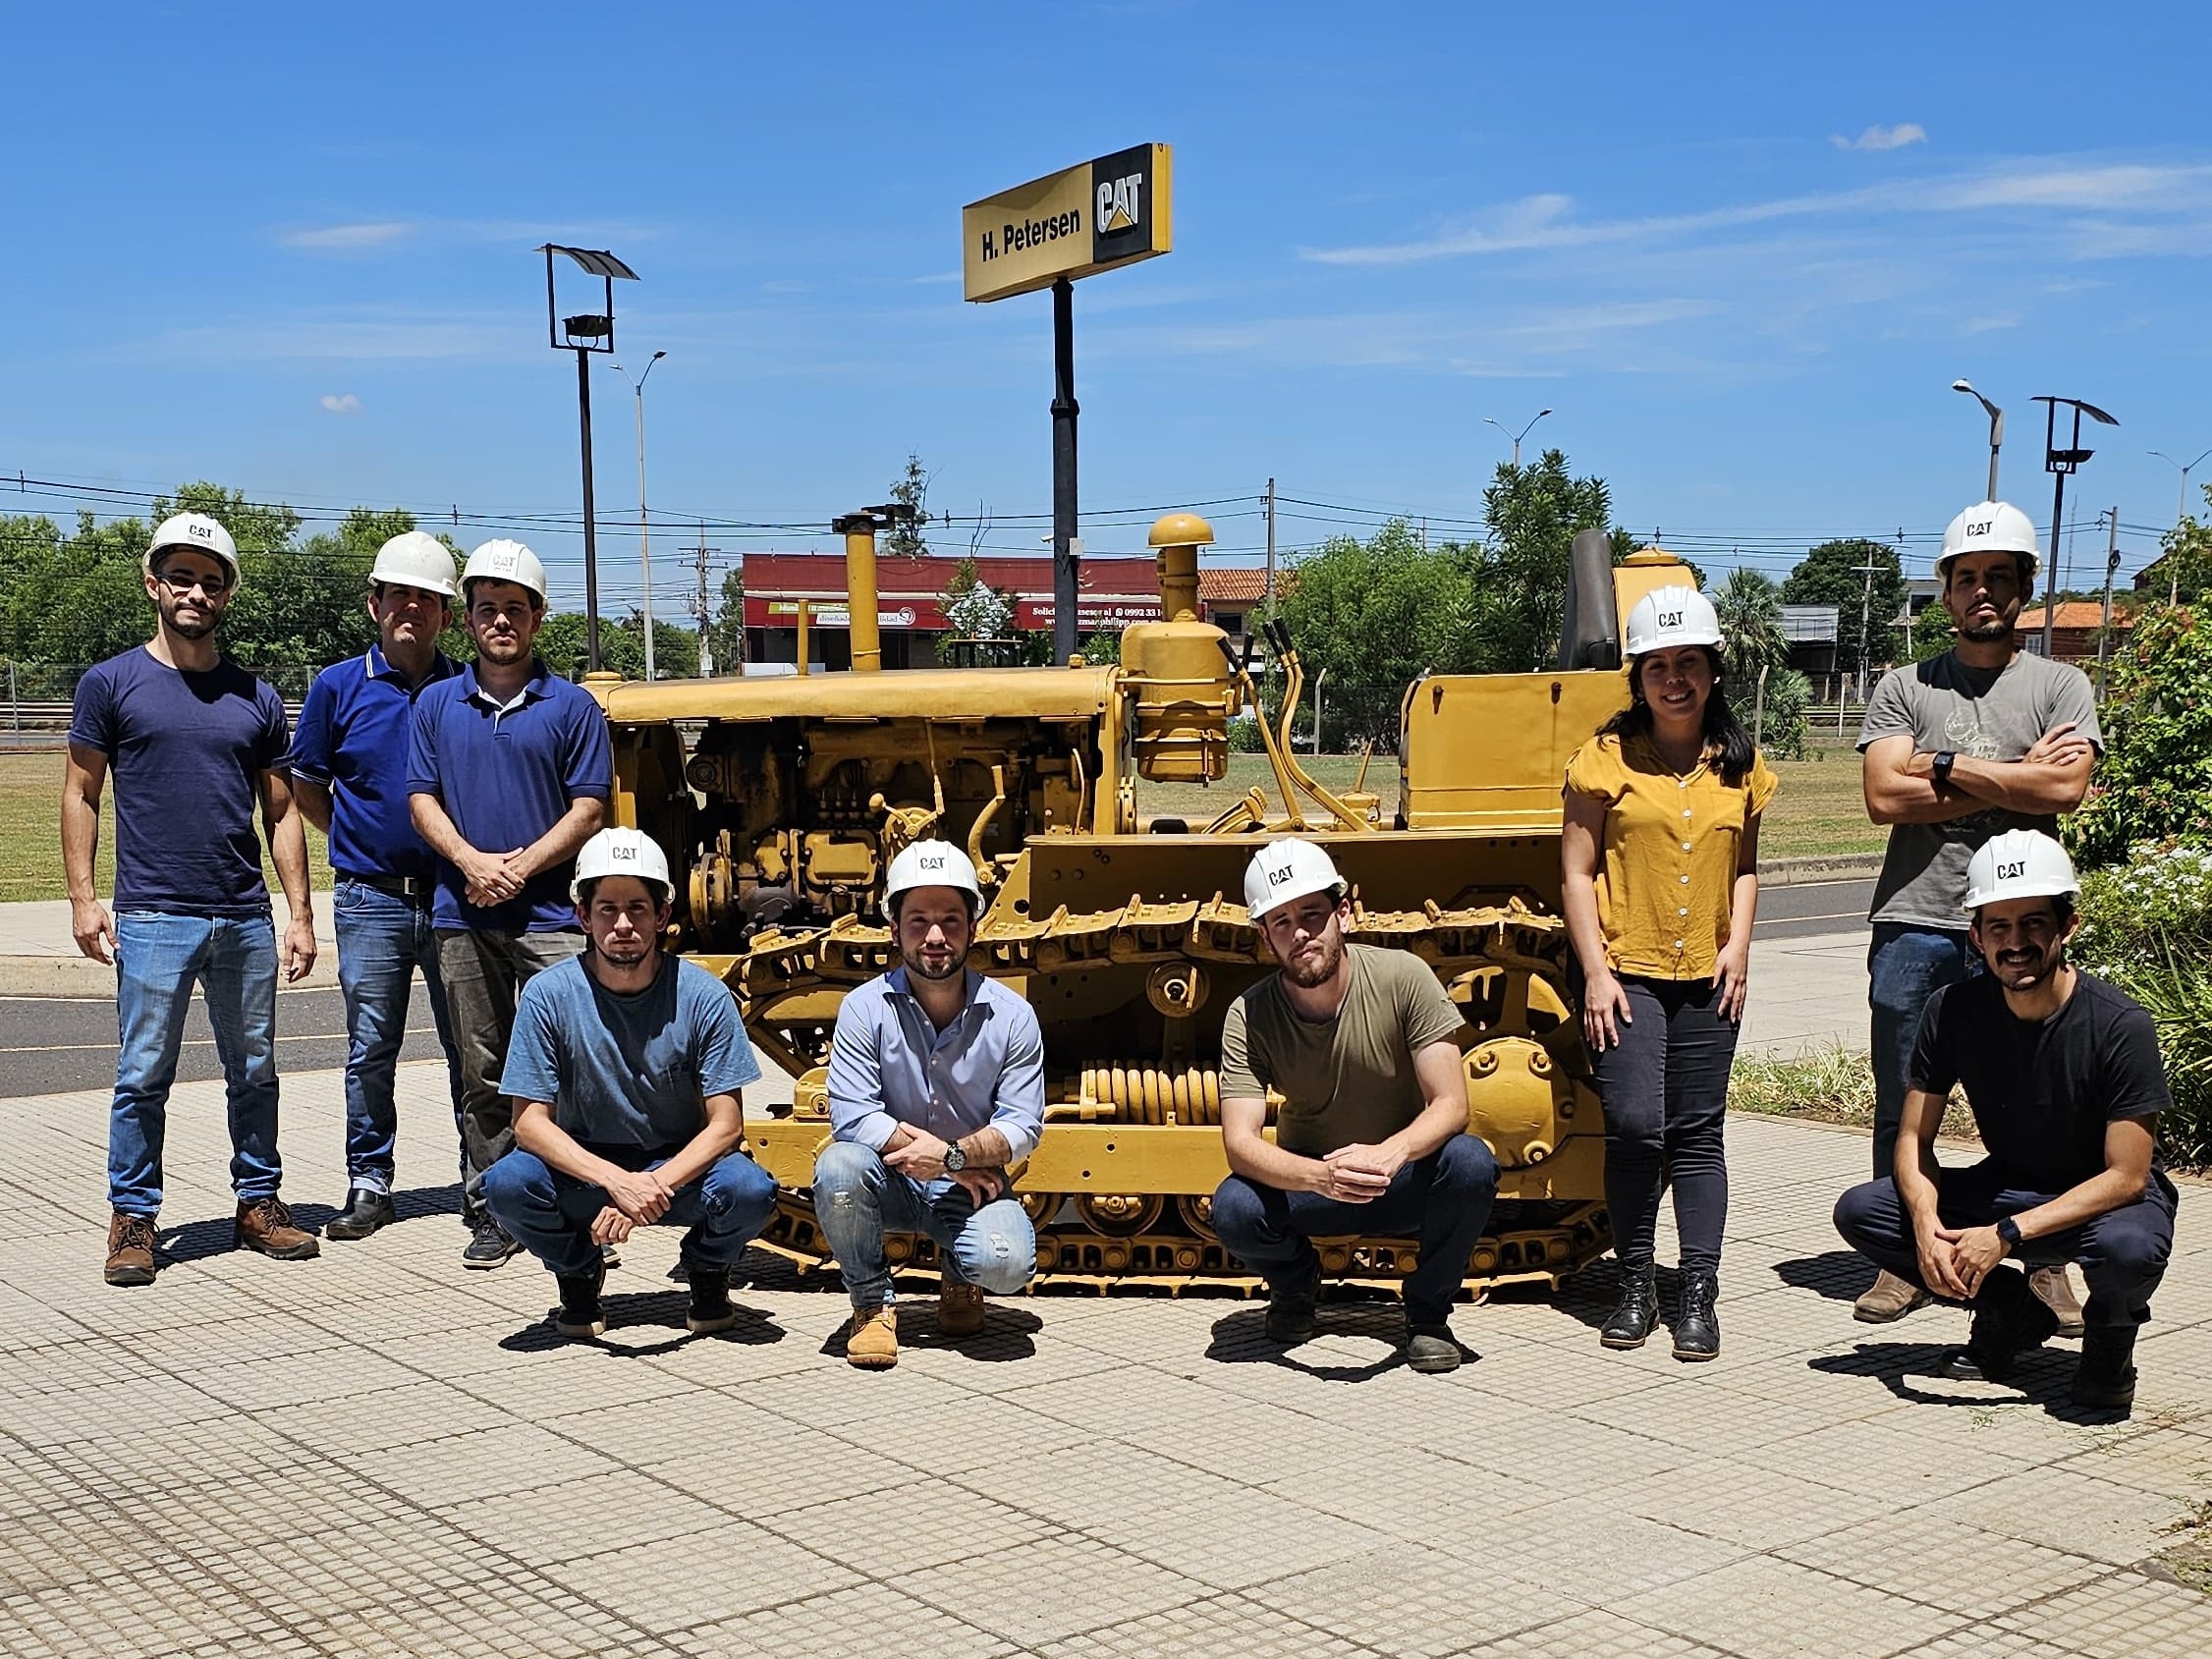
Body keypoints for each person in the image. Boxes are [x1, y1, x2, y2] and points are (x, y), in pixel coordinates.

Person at [1853, 501, 2100, 1329]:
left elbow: (2065, 788)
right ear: (1947, 594)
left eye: (2000, 575)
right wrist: (2010, 771)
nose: (1983, 590)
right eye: (1967, 578)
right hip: (1916, 922)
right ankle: (1901, 1255)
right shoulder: (1904, 685)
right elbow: (1885, 794)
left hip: (2025, 925)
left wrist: (1948, 764)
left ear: (2027, 586)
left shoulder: (2060, 684)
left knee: (2044, 1101)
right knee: (1903, 1098)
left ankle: (2047, 1260)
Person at [63, 511, 321, 1285]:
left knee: (256, 1069)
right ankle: (134, 1219)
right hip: (151, 912)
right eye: (181, 577)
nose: (195, 592)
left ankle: (259, 1201)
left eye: (211, 582)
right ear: (154, 583)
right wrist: (83, 898)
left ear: (226, 598)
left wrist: (300, 913)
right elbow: (81, 792)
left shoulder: (256, 697)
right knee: (143, 1072)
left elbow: (280, 812)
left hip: (242, 912)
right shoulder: (111, 683)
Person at [1834, 832, 2175, 1410]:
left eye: (2034, 924)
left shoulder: (2120, 1025)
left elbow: (2128, 1176)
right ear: (1976, 936)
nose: (2015, 943)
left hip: (2106, 1199)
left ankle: (2110, 1343)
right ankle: (2009, 1309)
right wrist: (1924, 1227)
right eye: (1999, 926)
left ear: (2067, 927)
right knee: (1867, 1211)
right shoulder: (1954, 1010)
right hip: (2012, 1184)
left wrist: (2005, 1235)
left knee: (2128, 1250)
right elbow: (1913, 1136)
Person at [1562, 584, 1777, 1362]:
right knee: (1632, 1128)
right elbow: (1577, 872)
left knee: (1697, 1134)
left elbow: (1746, 867)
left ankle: (1696, 1290)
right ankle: (1634, 1285)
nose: (1674, 678)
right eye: (1658, 664)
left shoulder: (1743, 767)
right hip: (1630, 970)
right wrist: (1594, 971)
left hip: (1710, 973)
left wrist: (1740, 945)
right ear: (1638, 674)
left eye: (1689, 662)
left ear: (1713, 671)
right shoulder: (1603, 761)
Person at [1210, 838, 1498, 1374]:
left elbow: (1452, 1103)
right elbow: (1241, 1144)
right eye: (1280, 922)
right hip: (1314, 1184)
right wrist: (1321, 1177)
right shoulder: (1248, 1015)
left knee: (1471, 1163)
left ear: (1344, 913)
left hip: (1405, 1176)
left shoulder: (1403, 977)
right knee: (1234, 1207)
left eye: (1312, 915)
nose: (1299, 933)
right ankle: (1296, 1288)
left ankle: (1428, 1315)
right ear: (1263, 935)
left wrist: (1391, 1154)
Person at [482, 830, 779, 1338]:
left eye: (638, 908)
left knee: (751, 1190)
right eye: (607, 909)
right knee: (505, 1186)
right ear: (583, 916)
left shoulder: (704, 995)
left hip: (678, 1164)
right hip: (585, 1165)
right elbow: (529, 1125)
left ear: (662, 915)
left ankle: (707, 1269)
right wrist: (615, 1184)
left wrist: (651, 1186)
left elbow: (726, 1126)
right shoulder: (547, 996)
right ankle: (578, 1269)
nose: (623, 924)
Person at [408, 539, 610, 1269]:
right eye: (487, 608)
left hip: (554, 917)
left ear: (538, 618)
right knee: (483, 1068)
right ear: (467, 620)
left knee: (576, 1068)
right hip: (465, 914)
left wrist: (519, 867)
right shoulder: (436, 704)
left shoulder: (574, 707)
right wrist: (469, 862)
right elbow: (420, 798)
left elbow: (589, 807)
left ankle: (585, 1206)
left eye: (514, 608)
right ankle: (494, 1208)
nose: (501, 620)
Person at [289, 532, 469, 1241]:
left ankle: (484, 1180)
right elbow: (306, 783)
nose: (412, 609)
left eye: (427, 599)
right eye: (400, 595)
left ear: (445, 615)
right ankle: (370, 1182)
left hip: (454, 896)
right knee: (371, 1048)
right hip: (371, 899)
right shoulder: (338, 687)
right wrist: (353, 838)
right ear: (375, 604)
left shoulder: (465, 686)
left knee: (472, 1046)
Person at [814, 842, 1044, 1370]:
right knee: (839, 1167)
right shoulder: (864, 1007)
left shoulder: (1012, 1016)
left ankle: (962, 1279)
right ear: (893, 928)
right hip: (890, 1180)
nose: (935, 936)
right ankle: (871, 1304)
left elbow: (1023, 1125)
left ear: (973, 927)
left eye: (950, 920)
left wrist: (952, 1160)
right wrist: (938, 1155)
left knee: (1007, 1266)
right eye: (917, 920)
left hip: (968, 1184)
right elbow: (851, 1113)